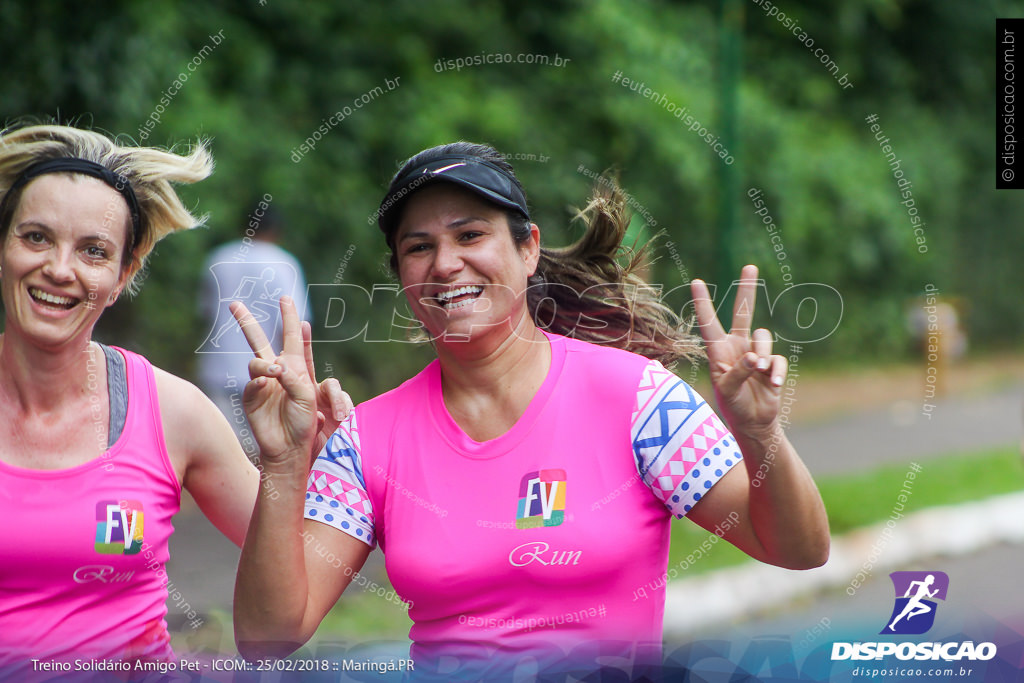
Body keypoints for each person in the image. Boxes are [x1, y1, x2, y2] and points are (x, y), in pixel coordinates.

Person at [232, 142, 830, 680]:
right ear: (403, 278)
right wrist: (284, 463)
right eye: (420, 247)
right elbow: (266, 638)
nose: (444, 264)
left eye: (470, 236)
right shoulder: (368, 439)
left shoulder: (642, 400)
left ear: (528, 250)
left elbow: (798, 550)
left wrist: (761, 434)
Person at [0, 124, 345, 678]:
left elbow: (294, 590)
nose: (59, 269)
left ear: (122, 276)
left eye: (93, 251)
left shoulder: (173, 412)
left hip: (242, 380)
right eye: (36, 237)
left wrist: (288, 463)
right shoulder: (285, 266)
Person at [197, 202, 311, 457]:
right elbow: (294, 327)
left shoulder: (217, 259)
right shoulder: (284, 264)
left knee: (223, 455)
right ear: (276, 231)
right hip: (266, 374)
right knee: (268, 454)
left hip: (218, 369)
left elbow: (205, 313)